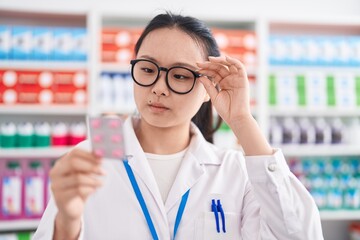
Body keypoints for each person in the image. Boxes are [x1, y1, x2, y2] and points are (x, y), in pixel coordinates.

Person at [33, 12, 323, 240]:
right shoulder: (90, 158)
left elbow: (298, 234)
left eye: (181, 76)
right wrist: (67, 223)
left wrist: (242, 121)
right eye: (147, 69)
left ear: (209, 87)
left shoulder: (233, 171)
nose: (159, 88)